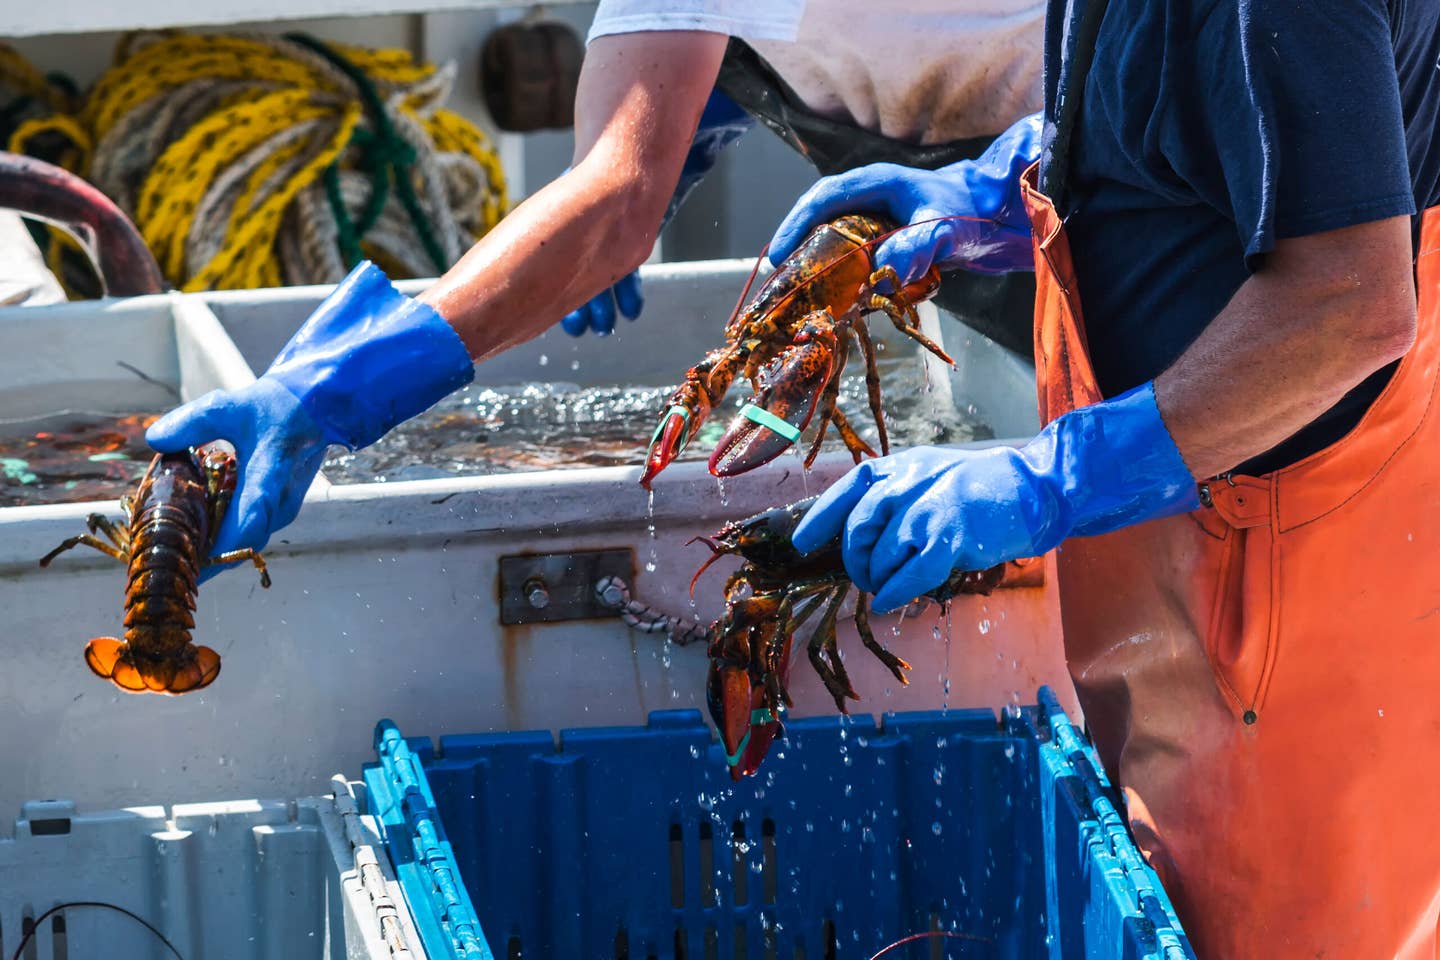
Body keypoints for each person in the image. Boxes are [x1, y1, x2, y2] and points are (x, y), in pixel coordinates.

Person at [772, 0, 1440, 955]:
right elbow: (1180, 107)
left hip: (1293, 632)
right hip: (1180, 597)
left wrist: (1052, 476)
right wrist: (992, 192)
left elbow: (1350, 305)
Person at [145, 0, 1046, 572]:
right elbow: (617, 177)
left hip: (1109, 200)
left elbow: (611, 208)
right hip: (972, 262)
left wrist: (335, 389)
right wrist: (684, 141)